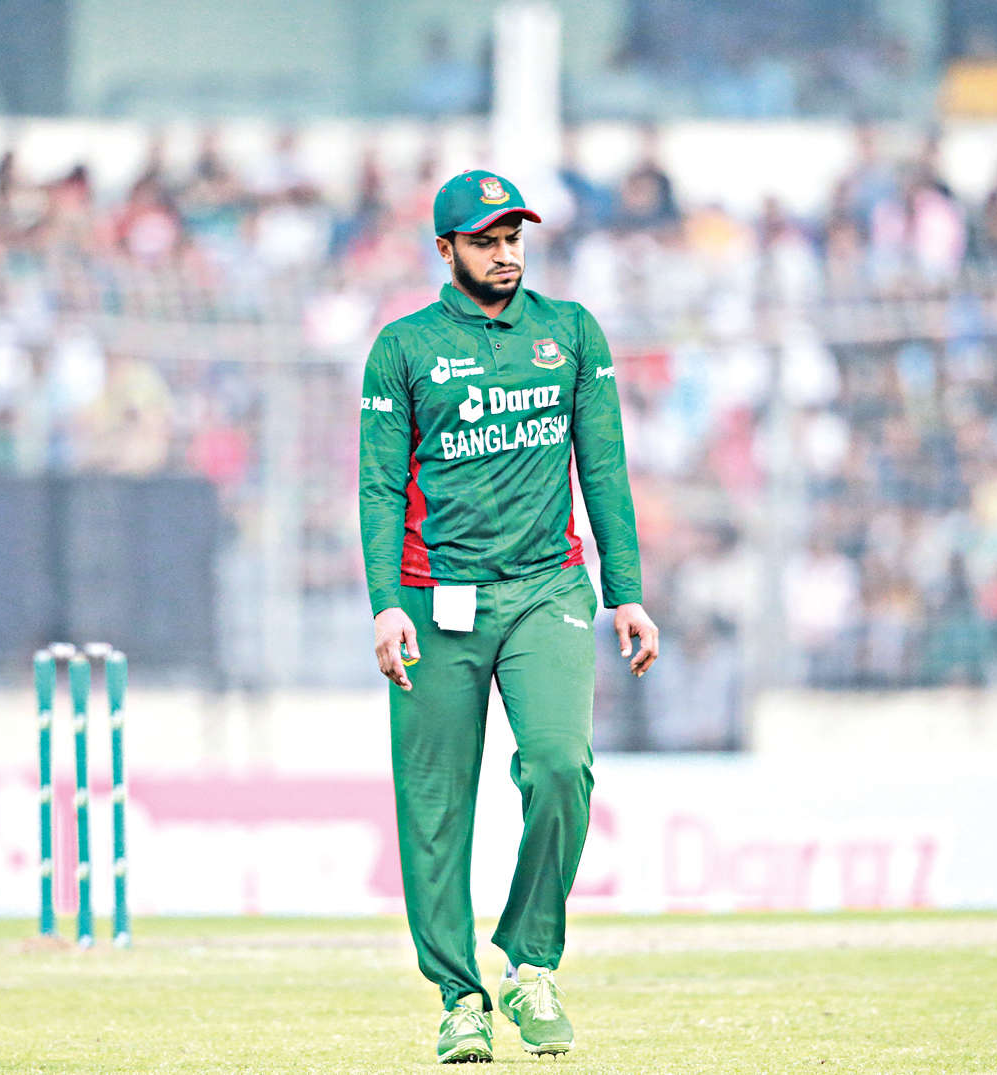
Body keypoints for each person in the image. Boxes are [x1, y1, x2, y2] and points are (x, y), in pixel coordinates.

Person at [358, 169, 659, 1064]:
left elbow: (603, 465)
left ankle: (530, 962)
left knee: (561, 765)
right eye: (485, 241)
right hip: (433, 600)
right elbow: (378, 486)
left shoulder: (570, 333)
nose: (504, 254)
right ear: (445, 248)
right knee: (435, 806)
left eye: (513, 238)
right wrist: (384, 603)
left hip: (546, 589)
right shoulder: (402, 348)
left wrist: (626, 590)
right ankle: (459, 997)